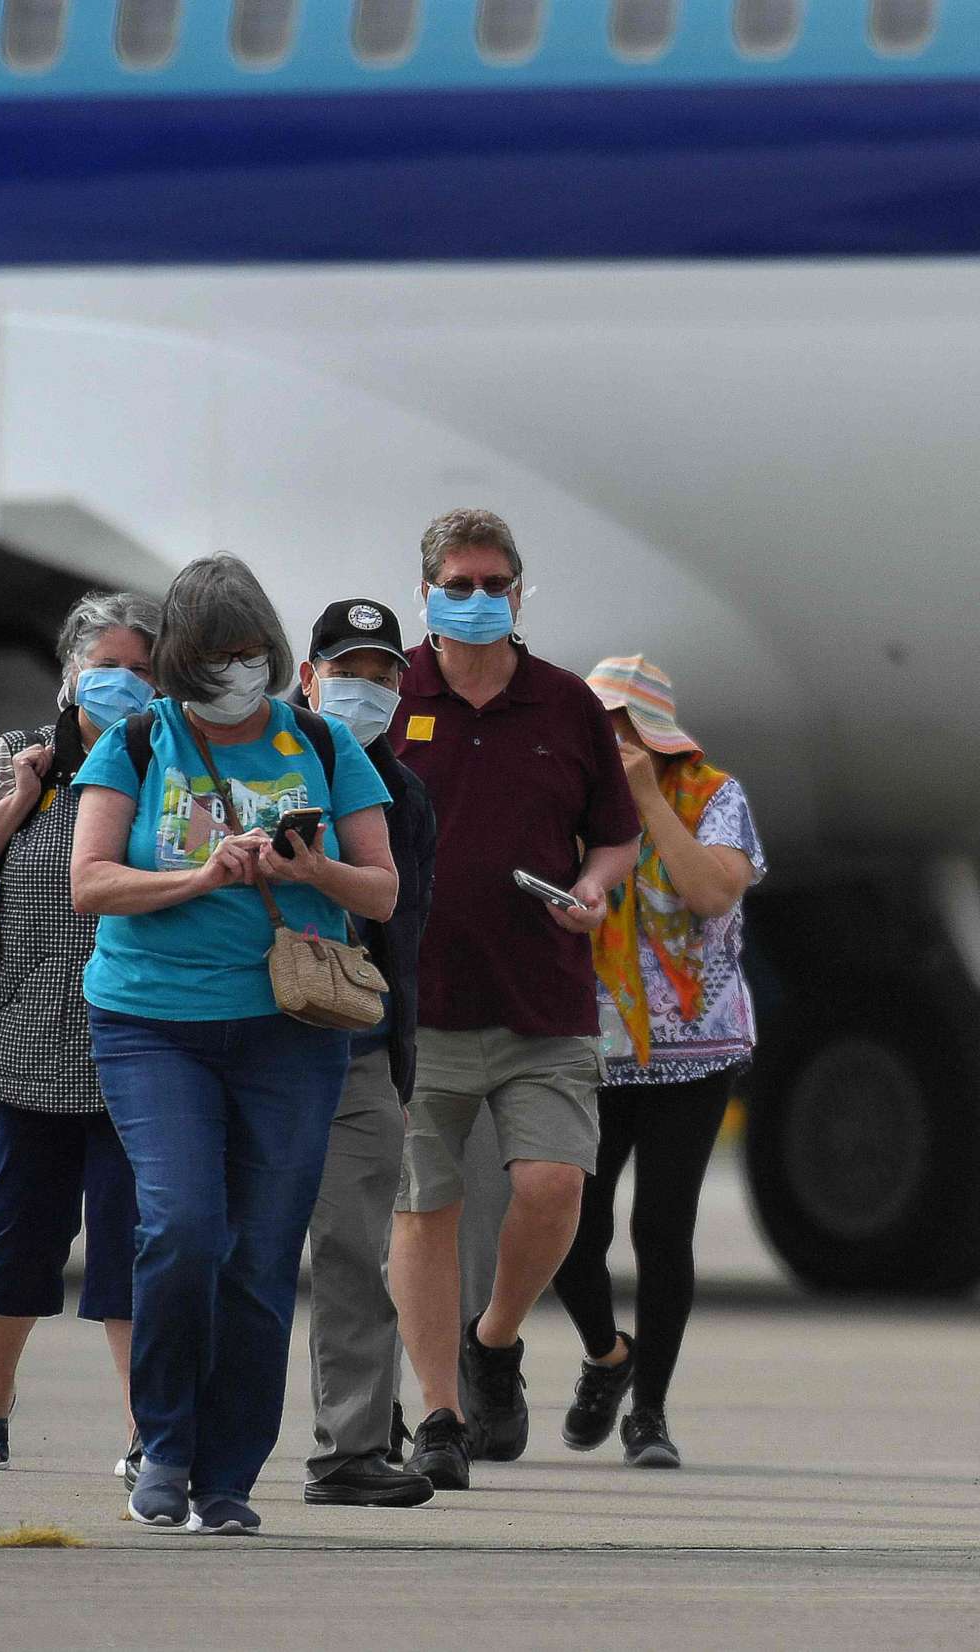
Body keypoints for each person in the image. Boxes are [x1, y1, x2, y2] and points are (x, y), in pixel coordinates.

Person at [71, 554, 397, 1534]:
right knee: (179, 1227)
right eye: (215, 659)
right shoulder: (137, 739)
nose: (237, 675)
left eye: (251, 654)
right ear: (180, 663)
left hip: (286, 1031)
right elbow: (89, 880)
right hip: (152, 1023)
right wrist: (202, 875)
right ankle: (161, 1442)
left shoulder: (322, 740)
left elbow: (381, 889)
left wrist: (316, 866)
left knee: (259, 1254)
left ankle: (228, 1474)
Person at [386, 509, 641, 1491]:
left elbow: (612, 833)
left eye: (497, 582)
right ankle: (442, 1413)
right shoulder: (387, 691)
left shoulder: (567, 703)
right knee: (426, 1205)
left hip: (542, 996)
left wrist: (598, 885)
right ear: (428, 592)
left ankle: (495, 1341)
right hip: (419, 1000)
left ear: (520, 593)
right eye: (462, 582)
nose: (481, 597)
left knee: (553, 1186)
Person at [0, 591, 160, 1475]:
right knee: (21, 1236)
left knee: (135, 1238)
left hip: (140, 1046)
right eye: (109, 668)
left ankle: (146, 1428)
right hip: (20, 1046)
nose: (127, 684)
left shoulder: (172, 764)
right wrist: (14, 804)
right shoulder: (19, 756)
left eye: (144, 670)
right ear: (70, 675)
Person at [549, 656, 764, 1469]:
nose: (605, 743)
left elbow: (712, 893)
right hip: (586, 1044)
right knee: (571, 1221)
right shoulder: (566, 792)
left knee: (662, 1227)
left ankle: (651, 1414)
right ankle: (607, 1353)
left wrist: (644, 802)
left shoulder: (714, 795)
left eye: (619, 728)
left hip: (696, 1048)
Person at [293, 599, 439, 1510]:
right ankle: (175, 1441)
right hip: (244, 1038)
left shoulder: (404, 798)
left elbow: (400, 931)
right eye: (349, 670)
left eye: (385, 674)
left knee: (352, 1250)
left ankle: (351, 1449)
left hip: (355, 1045)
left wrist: (398, 1060)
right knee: (219, 1243)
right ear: (307, 676)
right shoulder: (254, 766)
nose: (368, 688)